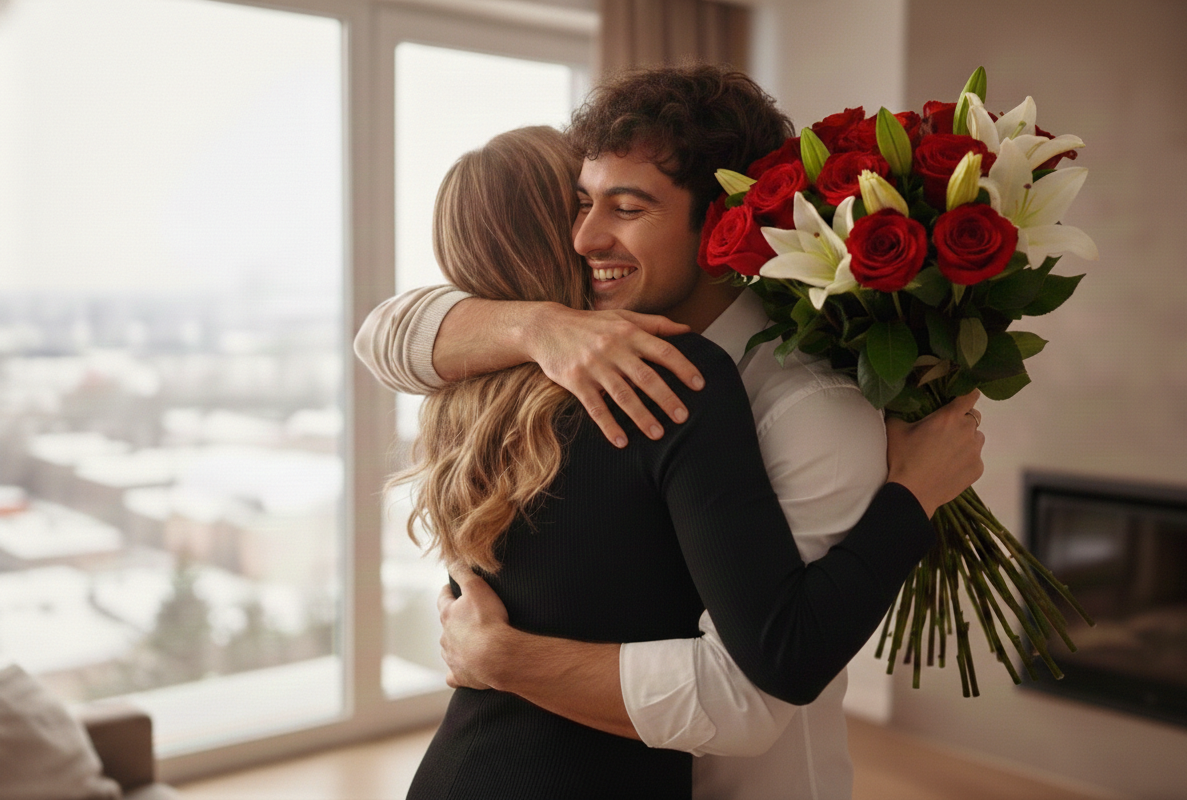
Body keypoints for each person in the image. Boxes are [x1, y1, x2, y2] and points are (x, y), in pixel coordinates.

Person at [358, 67, 985, 800]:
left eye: (625, 208)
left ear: (721, 226)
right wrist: (537, 326)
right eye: (582, 203)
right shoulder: (568, 362)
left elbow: (748, 698)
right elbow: (381, 338)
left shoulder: (807, 405)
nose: (585, 236)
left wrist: (502, 656)